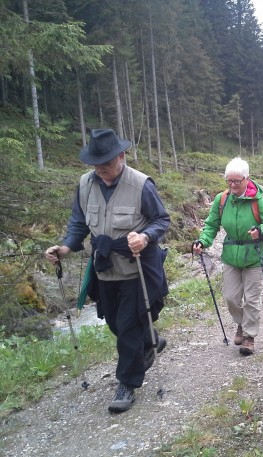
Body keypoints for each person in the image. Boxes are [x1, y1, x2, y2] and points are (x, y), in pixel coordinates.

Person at [44, 128, 171, 413]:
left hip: (137, 267)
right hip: (104, 268)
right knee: (114, 322)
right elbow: (79, 224)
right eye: (96, 163)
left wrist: (145, 237)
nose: (101, 169)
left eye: (107, 162)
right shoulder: (85, 185)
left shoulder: (140, 184)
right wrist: (64, 249)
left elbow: (161, 220)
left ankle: (127, 383)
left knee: (126, 327)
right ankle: (150, 340)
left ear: (121, 156)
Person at [193, 157, 263, 356]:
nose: (232, 185)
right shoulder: (222, 199)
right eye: (229, 181)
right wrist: (203, 241)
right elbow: (211, 224)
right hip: (231, 255)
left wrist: (259, 230)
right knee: (231, 297)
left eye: (237, 181)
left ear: (247, 179)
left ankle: (249, 336)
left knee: (252, 299)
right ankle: (241, 324)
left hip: (253, 255)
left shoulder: (258, 199)